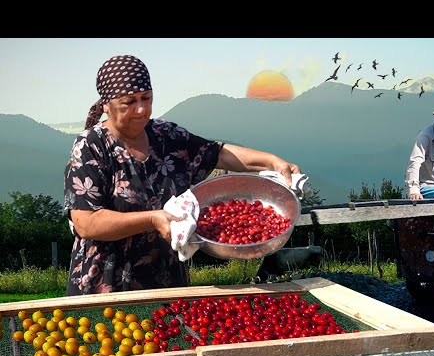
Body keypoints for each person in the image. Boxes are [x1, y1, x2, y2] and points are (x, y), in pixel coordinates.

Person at [63, 54, 302, 296]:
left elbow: (217, 153)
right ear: (107, 104)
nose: (141, 109)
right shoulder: (91, 146)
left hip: (166, 280)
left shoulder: (165, 136)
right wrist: (153, 219)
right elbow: (86, 222)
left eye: (146, 97)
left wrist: (272, 161)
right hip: (107, 283)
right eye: (129, 102)